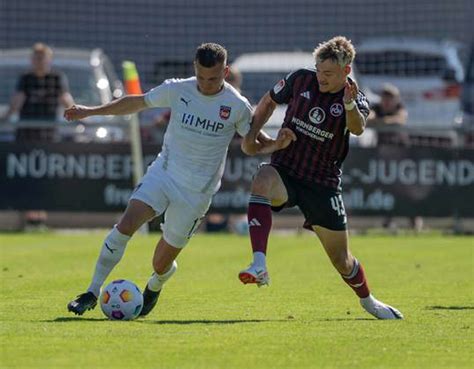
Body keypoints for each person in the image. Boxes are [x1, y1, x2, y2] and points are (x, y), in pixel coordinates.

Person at [65, 43, 294, 317]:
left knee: (161, 263)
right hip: (164, 172)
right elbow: (137, 102)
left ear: (226, 71)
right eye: (201, 77)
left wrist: (276, 144)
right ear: (194, 70)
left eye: (214, 78)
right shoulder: (178, 89)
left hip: (196, 193)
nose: (207, 85)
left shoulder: (237, 106)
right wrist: (90, 111)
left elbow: (254, 143)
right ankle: (91, 291)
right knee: (126, 225)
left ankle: (155, 283)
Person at [238, 36, 403, 320]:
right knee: (261, 179)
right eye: (319, 70)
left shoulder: (355, 98)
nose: (321, 77)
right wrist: (253, 135)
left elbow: (359, 128)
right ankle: (259, 264)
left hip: (322, 184)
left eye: (328, 73)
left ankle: (368, 301)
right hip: (286, 170)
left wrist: (350, 105)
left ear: (346, 71)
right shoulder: (301, 80)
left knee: (342, 260)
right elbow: (267, 101)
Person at [1, 42, 74, 138]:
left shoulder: (57, 77)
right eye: (36, 58)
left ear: (49, 60)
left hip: (49, 132)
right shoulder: (25, 78)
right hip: (26, 132)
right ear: (31, 60)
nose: (39, 61)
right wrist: (4, 119)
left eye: (41, 58)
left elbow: (66, 99)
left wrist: (78, 115)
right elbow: (17, 101)